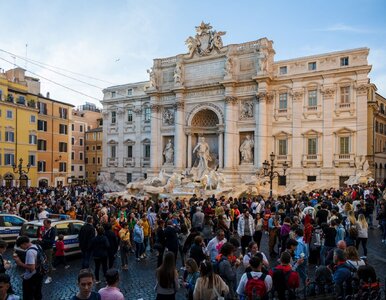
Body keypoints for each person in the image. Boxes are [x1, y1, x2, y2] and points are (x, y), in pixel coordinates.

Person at [14, 236, 44, 300]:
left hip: (31, 278)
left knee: (28, 295)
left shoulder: (30, 252)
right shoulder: (38, 246)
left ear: (24, 243)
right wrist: (26, 273)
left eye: (20, 246)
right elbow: (43, 260)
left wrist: (20, 263)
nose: (21, 248)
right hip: (40, 273)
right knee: (37, 293)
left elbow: (32, 267)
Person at [41, 218, 56, 284]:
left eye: (45, 224)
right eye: (43, 224)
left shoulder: (52, 230)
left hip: (48, 249)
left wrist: (42, 240)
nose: (44, 225)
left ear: (49, 224)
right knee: (43, 261)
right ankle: (44, 272)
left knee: (49, 263)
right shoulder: (44, 230)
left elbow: (51, 241)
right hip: (43, 248)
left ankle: (49, 277)